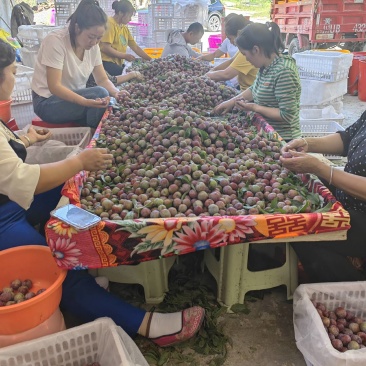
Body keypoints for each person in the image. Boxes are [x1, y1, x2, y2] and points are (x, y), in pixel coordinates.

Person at [0, 39, 204, 346]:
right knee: (58, 267)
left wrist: (26, 140)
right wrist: (78, 160)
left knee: (75, 181)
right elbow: (19, 179)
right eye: (13, 72)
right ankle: (147, 325)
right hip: (4, 217)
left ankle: (87, 245)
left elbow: (7, 163)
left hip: (10, 201)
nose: (15, 80)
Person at [280, 112, 366, 283]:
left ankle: (348, 296)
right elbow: (347, 138)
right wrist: (306, 143)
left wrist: (321, 169)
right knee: (298, 194)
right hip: (348, 198)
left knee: (306, 229)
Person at [31, 0, 126, 129]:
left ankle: (92, 133)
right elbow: (55, 87)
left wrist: (116, 92)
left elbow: (102, 79)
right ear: (77, 28)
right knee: (100, 94)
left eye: (98, 38)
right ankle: (94, 136)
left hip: (74, 98)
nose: (94, 42)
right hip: (47, 101)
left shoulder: (93, 47)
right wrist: (85, 102)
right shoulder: (56, 41)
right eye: (91, 36)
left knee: (109, 100)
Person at [213, 22, 301, 141]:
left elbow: (286, 115)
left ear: (256, 50)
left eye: (245, 54)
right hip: (267, 135)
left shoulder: (284, 72)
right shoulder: (266, 66)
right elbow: (254, 89)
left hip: (284, 140)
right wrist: (232, 102)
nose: (245, 58)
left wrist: (254, 107)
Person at [204, 15, 257, 91]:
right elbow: (231, 61)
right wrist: (213, 70)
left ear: (238, 34)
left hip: (249, 93)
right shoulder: (244, 49)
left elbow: (227, 74)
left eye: (230, 38)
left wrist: (207, 75)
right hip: (246, 90)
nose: (230, 42)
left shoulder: (247, 52)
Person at [99, 0, 152, 76]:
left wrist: (150, 59)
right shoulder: (110, 24)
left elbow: (135, 47)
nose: (130, 19)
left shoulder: (124, 28)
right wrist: (124, 56)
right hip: (106, 63)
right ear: (120, 13)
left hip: (117, 63)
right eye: (129, 16)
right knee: (128, 76)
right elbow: (105, 47)